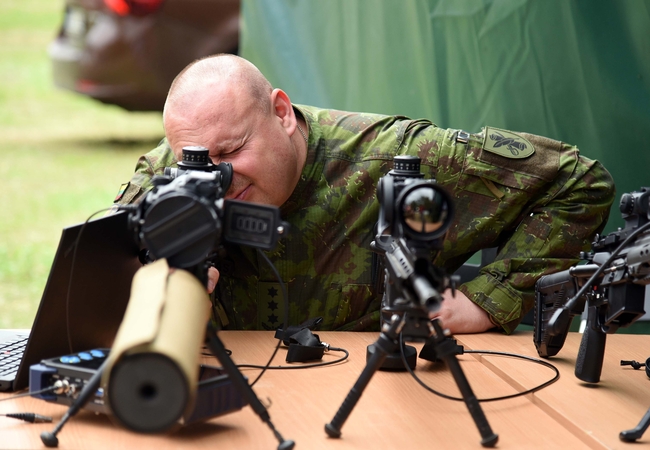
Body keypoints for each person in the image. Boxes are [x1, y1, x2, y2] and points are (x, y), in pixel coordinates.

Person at [114, 54, 615, 334]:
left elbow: (578, 183)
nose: (216, 177)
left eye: (232, 151)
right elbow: (94, 273)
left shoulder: (397, 159)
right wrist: (148, 288)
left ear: (282, 114)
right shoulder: (170, 182)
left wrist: (489, 300)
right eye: (196, 161)